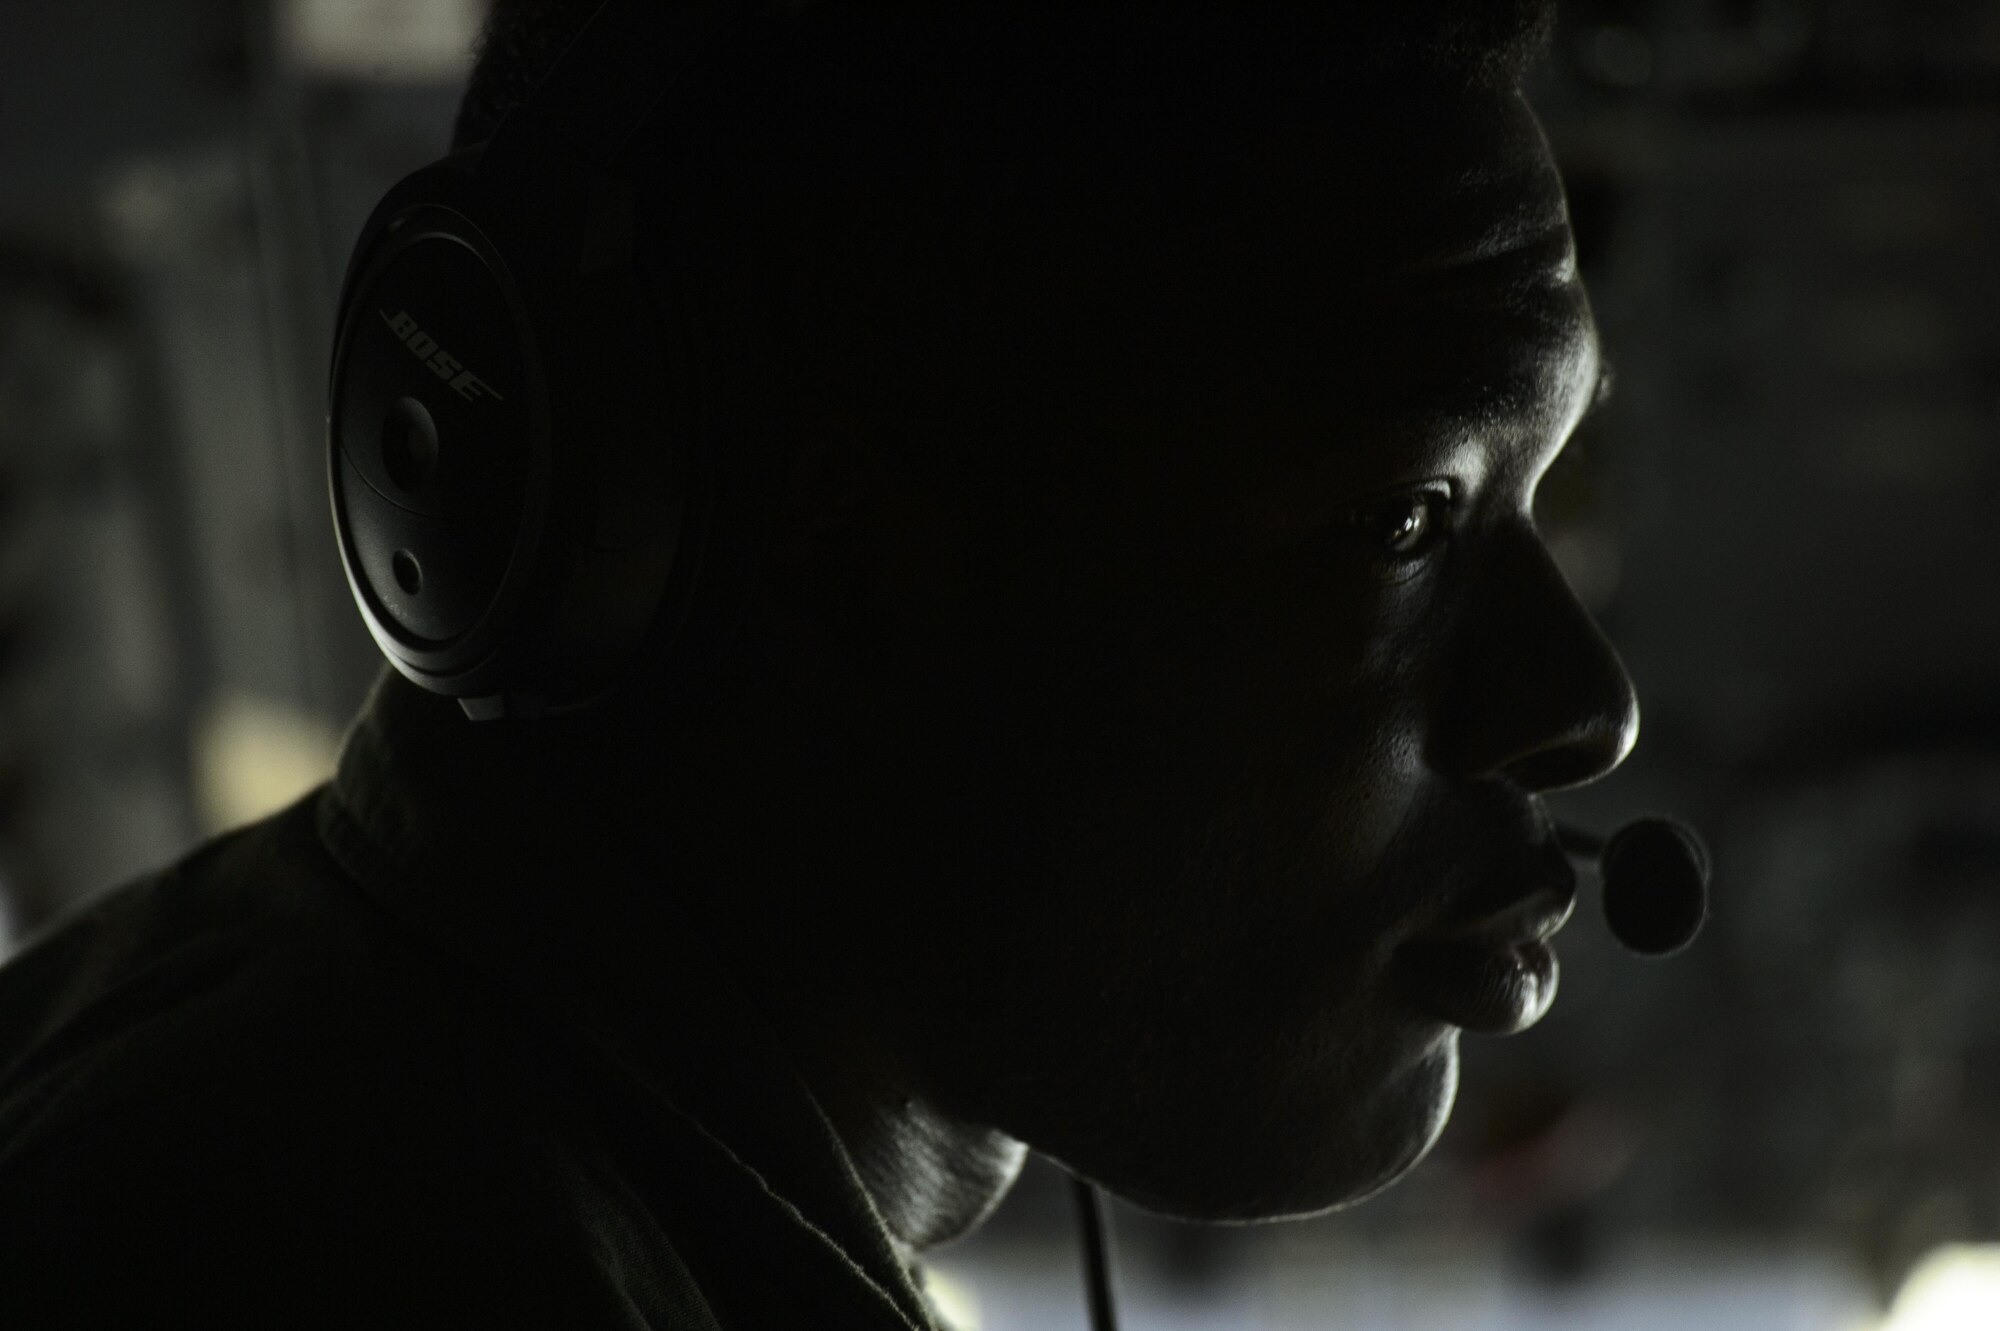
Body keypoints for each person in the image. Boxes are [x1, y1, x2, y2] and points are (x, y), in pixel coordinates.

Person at [0, 1, 1637, 1325]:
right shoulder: (296, 1261)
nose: (1583, 708)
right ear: (832, 535)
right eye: (1406, 517)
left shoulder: (406, 1119)